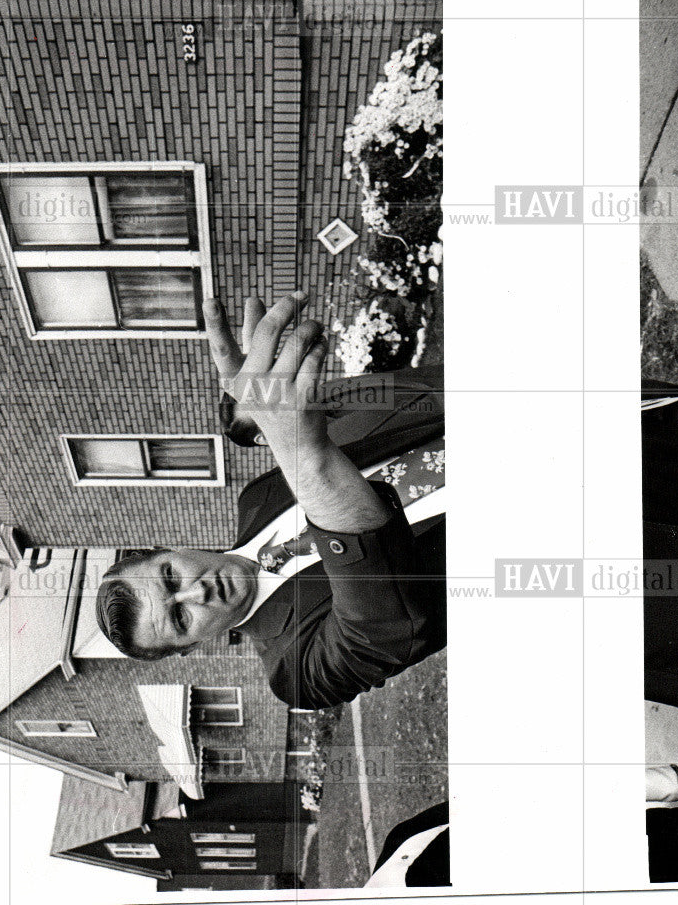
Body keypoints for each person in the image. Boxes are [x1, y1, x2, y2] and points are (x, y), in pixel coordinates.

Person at [96, 291, 447, 709]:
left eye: (171, 577)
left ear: (169, 549)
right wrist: (302, 456)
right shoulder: (298, 673)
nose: (197, 592)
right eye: (180, 618)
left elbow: (384, 411)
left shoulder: (258, 497)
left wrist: (256, 420)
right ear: (190, 648)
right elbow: (384, 627)